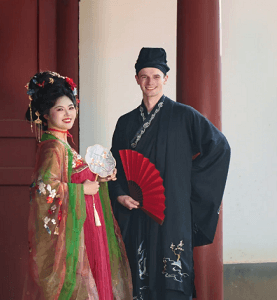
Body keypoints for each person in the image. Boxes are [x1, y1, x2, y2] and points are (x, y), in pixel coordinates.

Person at [108, 48, 231, 300]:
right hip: (137, 212)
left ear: (165, 78)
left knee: (173, 276)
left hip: (172, 210)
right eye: (144, 76)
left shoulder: (185, 116)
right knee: (138, 276)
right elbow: (114, 167)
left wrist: (185, 182)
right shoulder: (125, 123)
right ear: (136, 79)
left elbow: (219, 147)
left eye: (156, 76)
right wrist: (119, 195)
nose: (150, 82)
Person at [22, 71, 132, 300]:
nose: (67, 114)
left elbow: (73, 178)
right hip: (76, 231)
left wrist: (98, 180)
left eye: (71, 107)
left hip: (85, 225)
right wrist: (81, 190)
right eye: (60, 109)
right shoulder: (52, 147)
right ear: (45, 113)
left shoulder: (64, 142)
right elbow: (44, 187)